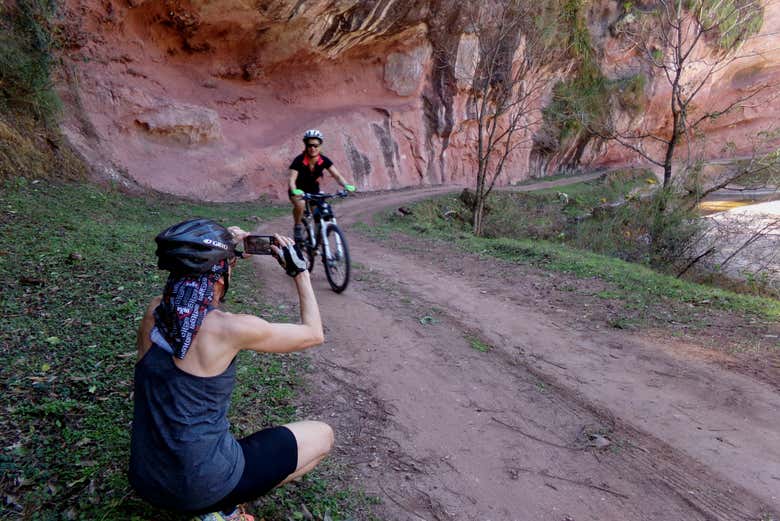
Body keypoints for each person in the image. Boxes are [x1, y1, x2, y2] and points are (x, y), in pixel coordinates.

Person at [129, 218, 333, 521]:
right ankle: (221, 511)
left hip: (146, 477)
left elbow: (192, 302)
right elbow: (314, 333)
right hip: (201, 485)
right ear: (221, 274)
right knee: (323, 436)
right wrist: (299, 271)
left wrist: (227, 251)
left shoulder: (153, 314)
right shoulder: (230, 329)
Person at [288, 129, 356, 242]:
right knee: (301, 204)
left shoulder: (324, 160)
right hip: (298, 190)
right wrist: (294, 190)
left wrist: (346, 185)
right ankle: (298, 226)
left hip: (313, 189)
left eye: (316, 145)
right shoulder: (299, 160)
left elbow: (337, 175)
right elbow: (292, 179)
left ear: (320, 146)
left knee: (319, 213)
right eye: (309, 145)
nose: (312, 148)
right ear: (306, 146)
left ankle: (316, 237)